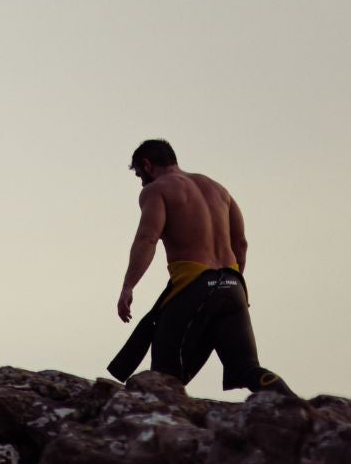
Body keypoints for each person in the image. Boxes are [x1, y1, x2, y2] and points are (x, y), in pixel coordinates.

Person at [107, 139, 293, 394]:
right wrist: (230, 286)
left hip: (194, 285)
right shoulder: (219, 190)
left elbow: (147, 238)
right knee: (247, 368)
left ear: (147, 165)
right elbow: (241, 243)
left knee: (163, 375)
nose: (141, 183)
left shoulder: (157, 190)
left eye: (140, 175)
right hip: (234, 285)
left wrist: (128, 286)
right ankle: (297, 406)